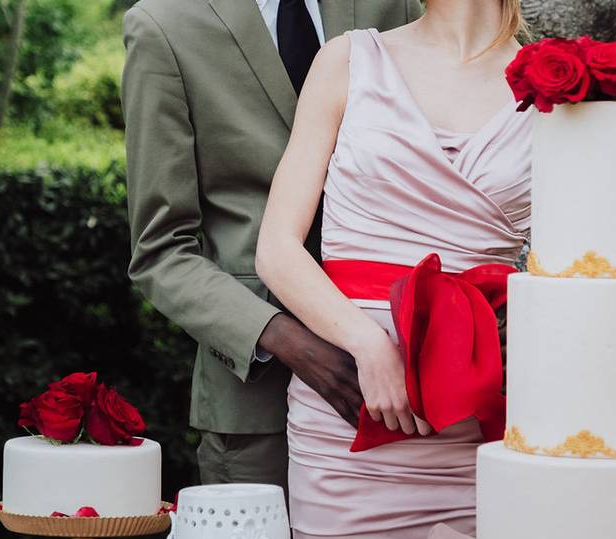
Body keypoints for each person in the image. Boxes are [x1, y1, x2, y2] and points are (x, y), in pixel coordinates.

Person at [255, 0, 532, 539]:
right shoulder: (348, 60)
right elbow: (277, 250)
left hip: (479, 424)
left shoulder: (553, 86)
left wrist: (525, 325)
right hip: (351, 419)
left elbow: (582, 268)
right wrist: (367, 344)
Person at [121, 0, 421, 492]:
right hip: (257, 399)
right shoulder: (164, 24)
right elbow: (161, 251)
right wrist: (291, 344)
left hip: (408, 369)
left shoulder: (394, 4)